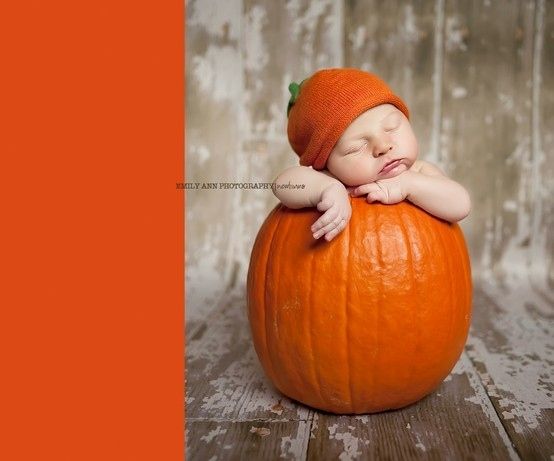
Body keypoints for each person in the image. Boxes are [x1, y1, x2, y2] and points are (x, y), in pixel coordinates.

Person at [272, 68, 471, 242]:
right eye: (356, 148)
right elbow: (281, 184)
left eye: (392, 127)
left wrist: (409, 184)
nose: (383, 146)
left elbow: (460, 204)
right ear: (324, 164)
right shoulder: (333, 180)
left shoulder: (419, 172)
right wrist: (327, 188)